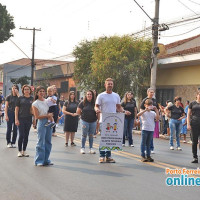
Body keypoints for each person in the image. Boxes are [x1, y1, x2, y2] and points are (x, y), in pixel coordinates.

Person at [95, 78, 131, 163]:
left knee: (110, 138)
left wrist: (124, 111)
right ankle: (101, 156)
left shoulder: (116, 95)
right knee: (104, 138)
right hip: (104, 120)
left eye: (111, 84)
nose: (110, 85)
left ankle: (108, 156)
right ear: (105, 85)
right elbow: (96, 106)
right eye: (108, 84)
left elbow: (118, 107)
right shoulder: (101, 95)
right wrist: (97, 109)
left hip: (113, 120)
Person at [32, 86, 53, 166]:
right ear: (37, 93)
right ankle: (39, 161)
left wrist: (51, 116)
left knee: (48, 141)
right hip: (41, 122)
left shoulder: (47, 101)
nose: (41, 92)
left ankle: (46, 160)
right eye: (40, 91)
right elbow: (37, 117)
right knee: (41, 142)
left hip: (49, 121)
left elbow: (53, 108)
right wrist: (47, 116)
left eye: (43, 91)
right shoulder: (35, 103)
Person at [15, 85, 34, 157]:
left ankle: (24, 150)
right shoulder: (20, 98)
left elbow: (34, 110)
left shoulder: (32, 99)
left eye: (28, 89)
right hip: (21, 118)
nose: (26, 90)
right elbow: (16, 109)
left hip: (29, 119)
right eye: (25, 89)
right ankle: (19, 151)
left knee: (26, 135)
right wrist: (16, 119)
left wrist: (34, 120)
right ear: (23, 90)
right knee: (21, 135)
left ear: (30, 90)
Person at [140, 88, 159, 154]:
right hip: (145, 117)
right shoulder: (144, 100)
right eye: (151, 92)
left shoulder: (154, 100)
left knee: (151, 133)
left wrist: (156, 112)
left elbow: (157, 109)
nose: (152, 93)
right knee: (145, 135)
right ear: (148, 93)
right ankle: (144, 149)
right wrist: (142, 118)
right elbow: (141, 109)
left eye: (153, 92)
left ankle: (151, 148)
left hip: (152, 117)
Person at [187, 92, 200, 163]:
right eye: (199, 94)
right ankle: (195, 157)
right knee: (194, 141)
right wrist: (188, 124)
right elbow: (188, 114)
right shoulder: (192, 103)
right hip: (194, 123)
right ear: (197, 95)